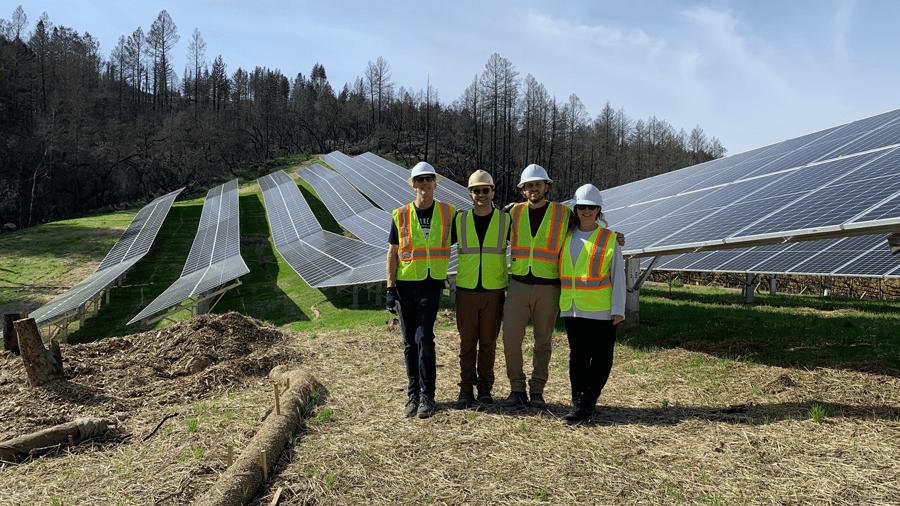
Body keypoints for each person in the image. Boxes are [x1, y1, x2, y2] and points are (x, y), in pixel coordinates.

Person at [386, 162, 456, 419]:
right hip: (406, 286)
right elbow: (393, 252)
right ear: (414, 184)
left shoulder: (450, 213)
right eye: (420, 180)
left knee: (424, 338)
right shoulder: (400, 214)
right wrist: (390, 288)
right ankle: (412, 395)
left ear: (435, 183)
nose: (425, 183)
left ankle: (428, 395)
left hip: (431, 284)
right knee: (408, 342)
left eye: (429, 179)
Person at [500, 164, 571, 410]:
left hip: (548, 287)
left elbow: (588, 229)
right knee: (510, 339)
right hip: (518, 284)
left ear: (546, 187)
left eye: (537, 185)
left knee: (543, 342)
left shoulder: (564, 214)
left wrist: (610, 235)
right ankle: (516, 388)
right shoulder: (512, 213)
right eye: (529, 185)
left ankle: (537, 390)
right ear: (523, 190)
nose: (533, 189)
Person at [558, 184, 625, 423]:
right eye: (582, 206)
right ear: (575, 209)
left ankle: (591, 399)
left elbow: (618, 275)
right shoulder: (564, 238)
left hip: (602, 310)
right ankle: (579, 402)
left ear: (599, 210)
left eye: (591, 207)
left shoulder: (609, 239)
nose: (586, 210)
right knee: (578, 357)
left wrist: (618, 309)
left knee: (602, 358)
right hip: (573, 309)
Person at [452, 170, 509, 409]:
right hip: (466, 289)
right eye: (476, 190)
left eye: (486, 190)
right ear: (470, 193)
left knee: (488, 343)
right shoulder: (460, 220)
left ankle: (485, 388)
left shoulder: (506, 220)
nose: (481, 194)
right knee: (467, 344)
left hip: (494, 291)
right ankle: (465, 390)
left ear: (492, 192)